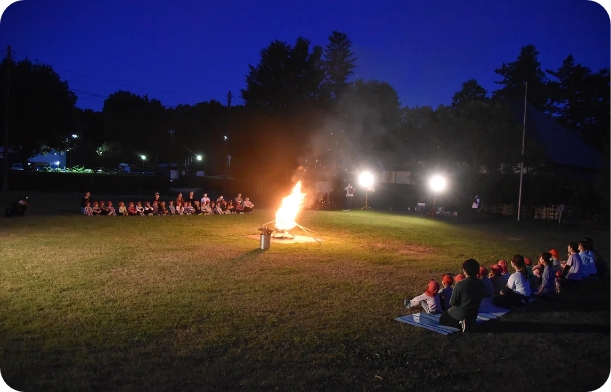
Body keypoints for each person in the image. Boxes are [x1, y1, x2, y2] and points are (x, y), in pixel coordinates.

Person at [438, 259, 486, 332]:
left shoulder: (460, 285)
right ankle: (469, 322)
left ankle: (462, 323)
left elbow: (452, 302)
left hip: (461, 314)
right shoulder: (481, 283)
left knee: (443, 318)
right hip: (473, 313)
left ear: (465, 271)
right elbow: (482, 296)